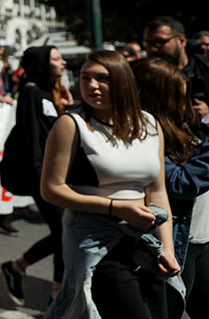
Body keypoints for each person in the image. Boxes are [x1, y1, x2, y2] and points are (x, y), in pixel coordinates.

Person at [41, 50, 181, 319]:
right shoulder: (72, 124)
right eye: (85, 77)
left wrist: (167, 249)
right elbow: (51, 189)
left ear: (122, 81)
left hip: (145, 240)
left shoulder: (150, 124)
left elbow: (157, 190)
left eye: (102, 78)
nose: (91, 85)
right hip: (96, 243)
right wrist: (116, 208)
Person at [133, 58, 209, 318]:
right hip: (177, 242)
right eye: (181, 96)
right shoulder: (145, 133)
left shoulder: (183, 127)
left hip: (202, 239)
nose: (187, 102)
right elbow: (180, 182)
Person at [0, 46, 69, 306]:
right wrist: (42, 178)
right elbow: (31, 137)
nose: (62, 62)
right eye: (55, 58)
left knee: (63, 232)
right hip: (42, 175)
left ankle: (17, 268)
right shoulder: (30, 91)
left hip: (56, 173)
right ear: (41, 64)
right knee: (63, 231)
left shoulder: (51, 92)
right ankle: (56, 295)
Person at [144, 16, 209, 122]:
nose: (153, 48)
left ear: (182, 40)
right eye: (148, 43)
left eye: (160, 42)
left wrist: (207, 116)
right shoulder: (141, 75)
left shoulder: (204, 69)